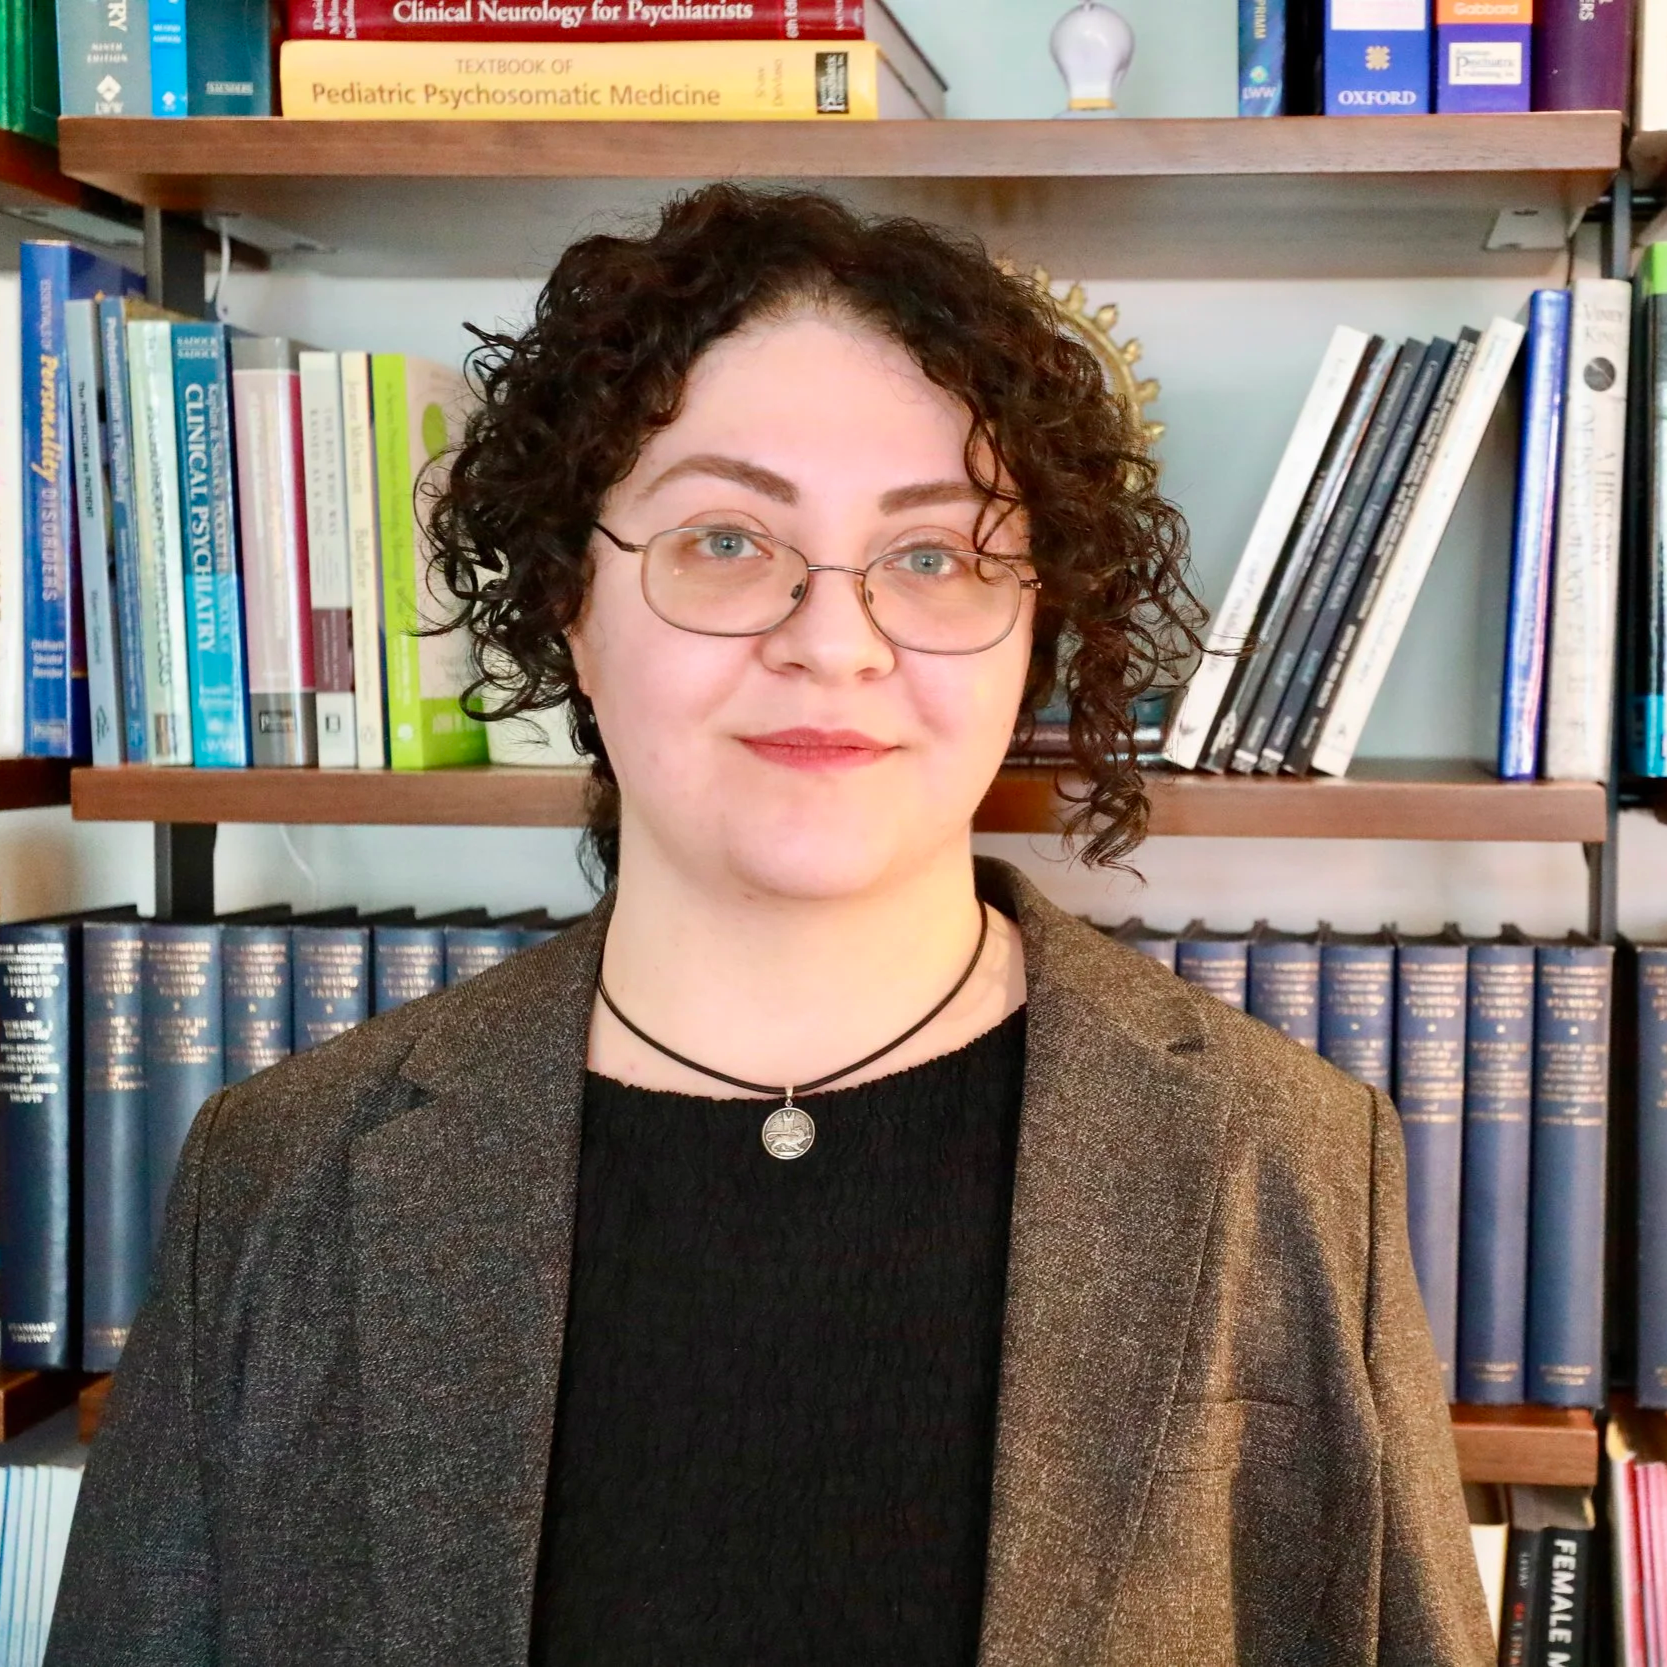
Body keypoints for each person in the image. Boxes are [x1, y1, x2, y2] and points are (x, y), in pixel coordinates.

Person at [45, 185, 1493, 1667]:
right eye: (726, 540)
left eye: (935, 556)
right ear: (569, 606)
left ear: (1033, 630)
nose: (833, 642)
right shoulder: (280, 1172)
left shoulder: (1288, 1158)